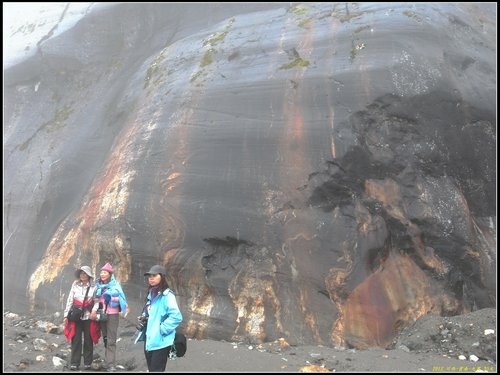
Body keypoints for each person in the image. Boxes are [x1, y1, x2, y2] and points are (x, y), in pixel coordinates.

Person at [138, 265, 183, 372]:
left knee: (156, 370)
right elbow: (154, 314)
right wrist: (144, 317)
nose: (151, 278)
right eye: (149, 276)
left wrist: (162, 329)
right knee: (152, 369)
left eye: (154, 275)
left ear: (162, 277)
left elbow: (176, 316)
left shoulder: (167, 296)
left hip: (161, 341)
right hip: (149, 340)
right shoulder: (151, 294)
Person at [90, 263, 129, 372]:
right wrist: (94, 311)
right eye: (101, 272)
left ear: (110, 274)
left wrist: (111, 296)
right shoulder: (98, 286)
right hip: (102, 314)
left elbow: (121, 298)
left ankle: (111, 364)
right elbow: (96, 300)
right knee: (106, 338)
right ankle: (108, 360)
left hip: (112, 314)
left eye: (105, 272)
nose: (102, 274)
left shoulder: (115, 285)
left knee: (111, 339)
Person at [63, 266, 100, 371]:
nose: (83, 275)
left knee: (89, 339)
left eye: (85, 273)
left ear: (89, 275)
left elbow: (96, 301)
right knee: (76, 339)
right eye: (81, 273)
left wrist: (94, 310)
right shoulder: (75, 285)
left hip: (88, 316)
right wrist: (66, 315)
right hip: (76, 316)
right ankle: (75, 363)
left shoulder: (94, 286)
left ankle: (88, 363)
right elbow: (70, 300)